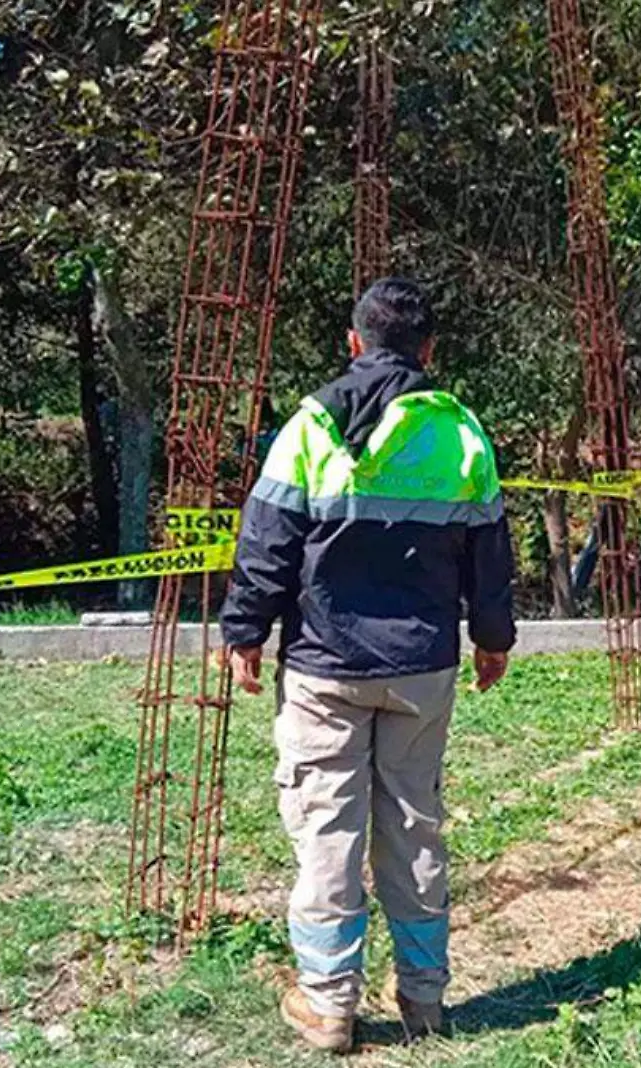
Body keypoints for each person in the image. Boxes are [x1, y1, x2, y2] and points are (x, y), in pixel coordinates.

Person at [220, 278, 518, 1053]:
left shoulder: (311, 424)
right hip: (422, 666)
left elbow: (268, 542)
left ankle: (328, 1006)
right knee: (414, 824)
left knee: (327, 830)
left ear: (354, 342)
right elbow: (489, 550)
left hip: (324, 667)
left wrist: (244, 631)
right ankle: (424, 999)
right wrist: (493, 638)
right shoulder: (459, 433)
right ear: (428, 351)